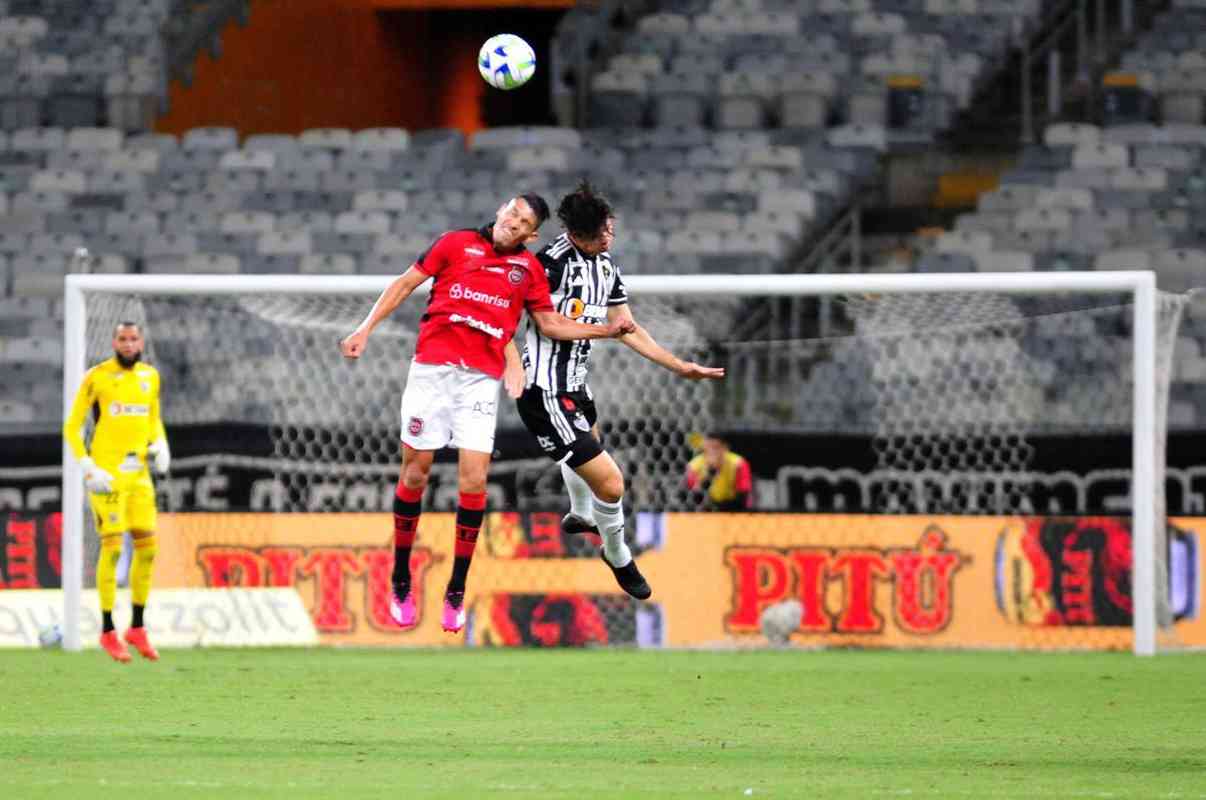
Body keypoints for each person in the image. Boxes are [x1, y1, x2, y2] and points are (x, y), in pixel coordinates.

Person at [339, 194, 635, 633]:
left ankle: (456, 590)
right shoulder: (453, 244)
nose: (513, 223)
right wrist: (365, 328)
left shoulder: (529, 271)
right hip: (431, 373)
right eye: (511, 213)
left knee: (474, 481)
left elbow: (548, 324)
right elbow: (404, 283)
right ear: (500, 210)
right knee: (415, 475)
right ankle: (401, 576)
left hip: (478, 381)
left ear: (532, 235)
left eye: (523, 222)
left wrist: (605, 331)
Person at [505, 181, 725, 599]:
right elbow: (549, 325)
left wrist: (679, 366)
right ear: (584, 232)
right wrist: (606, 331)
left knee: (591, 444)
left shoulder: (605, 266)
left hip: (574, 386)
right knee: (611, 483)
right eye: (607, 228)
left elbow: (629, 327)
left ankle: (581, 513)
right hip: (544, 392)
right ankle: (618, 553)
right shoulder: (549, 266)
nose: (612, 233)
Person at [64, 321, 170, 662]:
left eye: (133, 338)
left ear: (141, 342)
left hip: (138, 475)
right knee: (111, 548)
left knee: (148, 549)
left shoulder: (150, 377)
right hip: (106, 476)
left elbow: (153, 420)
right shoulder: (97, 376)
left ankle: (136, 627)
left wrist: (161, 445)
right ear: (114, 342)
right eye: (122, 339)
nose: (128, 344)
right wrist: (87, 467)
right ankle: (108, 630)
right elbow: (72, 426)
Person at [685, 433, 754, 511]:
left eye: (716, 448)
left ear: (725, 448)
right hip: (706, 508)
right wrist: (711, 472)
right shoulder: (694, 465)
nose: (711, 452)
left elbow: (743, 495)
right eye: (708, 448)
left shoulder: (738, 463)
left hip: (732, 507)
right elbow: (696, 497)